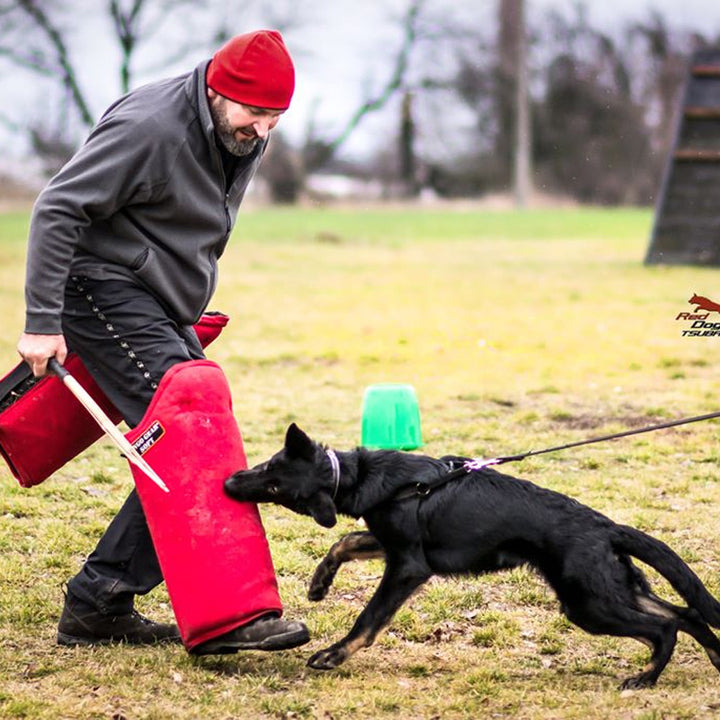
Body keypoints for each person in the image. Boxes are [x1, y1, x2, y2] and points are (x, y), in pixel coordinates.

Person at [16, 29, 310, 653]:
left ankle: (100, 601)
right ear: (217, 90)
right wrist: (42, 321)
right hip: (99, 286)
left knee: (194, 437)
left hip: (152, 298)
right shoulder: (150, 127)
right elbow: (58, 207)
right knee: (193, 436)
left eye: (275, 120)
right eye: (255, 115)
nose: (261, 131)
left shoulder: (236, 132)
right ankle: (229, 615)